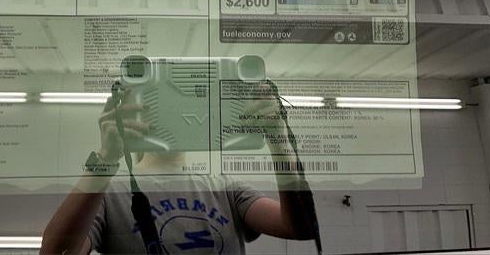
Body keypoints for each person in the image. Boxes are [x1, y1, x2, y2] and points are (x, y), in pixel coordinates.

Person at [40, 88, 315, 254]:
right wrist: (106, 157)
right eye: (160, 108)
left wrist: (279, 140)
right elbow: (56, 253)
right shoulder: (108, 193)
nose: (172, 117)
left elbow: (300, 227)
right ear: (139, 117)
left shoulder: (225, 187)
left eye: (180, 109)